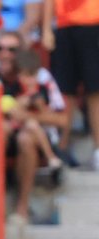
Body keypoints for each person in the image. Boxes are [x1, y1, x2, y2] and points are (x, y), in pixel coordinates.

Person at [43, 0, 99, 170]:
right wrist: (46, 29)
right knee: (65, 91)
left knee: (95, 92)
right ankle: (62, 147)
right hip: (64, 28)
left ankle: (98, 150)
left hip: (93, 25)